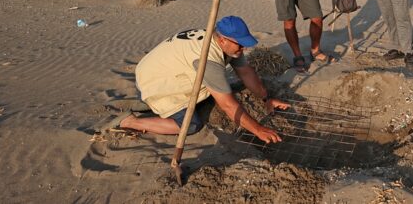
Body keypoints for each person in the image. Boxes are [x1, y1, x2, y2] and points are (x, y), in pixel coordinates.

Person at [116, 16, 289, 144]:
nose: (243, 48)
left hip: (160, 67)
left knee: (218, 88)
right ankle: (132, 121)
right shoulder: (207, 58)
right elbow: (227, 105)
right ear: (222, 39)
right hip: (155, 82)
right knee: (191, 125)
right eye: (240, 44)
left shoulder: (225, 44)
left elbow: (246, 72)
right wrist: (258, 130)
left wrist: (266, 98)